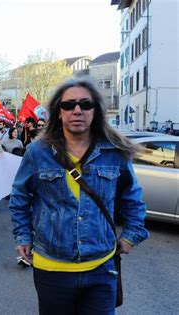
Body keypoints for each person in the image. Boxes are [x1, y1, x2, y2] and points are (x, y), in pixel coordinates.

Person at [9, 79, 149, 314]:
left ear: (95, 111)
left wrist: (131, 235)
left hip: (101, 269)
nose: (77, 110)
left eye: (85, 104)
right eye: (69, 104)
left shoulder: (114, 152)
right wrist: (23, 236)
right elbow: (20, 197)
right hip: (51, 268)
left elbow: (132, 197)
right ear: (59, 112)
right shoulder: (38, 152)